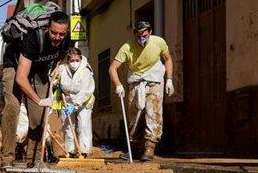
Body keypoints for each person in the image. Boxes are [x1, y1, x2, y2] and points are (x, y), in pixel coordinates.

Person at [109, 20, 175, 161]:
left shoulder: (158, 42)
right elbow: (113, 68)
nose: (142, 39)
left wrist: (169, 79)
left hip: (155, 79)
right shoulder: (127, 47)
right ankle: (132, 148)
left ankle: (149, 148)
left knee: (153, 113)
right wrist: (118, 85)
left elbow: (168, 59)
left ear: (150, 32)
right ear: (135, 35)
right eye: (139, 36)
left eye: (145, 35)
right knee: (134, 114)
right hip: (136, 80)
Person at [14, 10, 71, 166]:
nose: (57, 37)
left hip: (40, 71)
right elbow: (20, 77)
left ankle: (33, 161)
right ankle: (8, 157)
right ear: (47, 28)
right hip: (15, 67)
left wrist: (57, 67)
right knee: (12, 109)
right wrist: (39, 100)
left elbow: (62, 54)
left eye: (62, 34)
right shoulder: (34, 38)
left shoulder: (66, 40)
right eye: (54, 33)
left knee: (39, 118)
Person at [54, 47, 95, 157]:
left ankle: (84, 151)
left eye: (77, 60)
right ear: (68, 60)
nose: (74, 63)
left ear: (81, 59)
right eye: (72, 60)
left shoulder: (86, 70)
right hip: (67, 101)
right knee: (68, 126)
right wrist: (55, 83)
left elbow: (86, 91)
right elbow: (53, 78)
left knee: (83, 125)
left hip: (84, 101)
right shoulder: (62, 69)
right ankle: (70, 151)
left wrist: (76, 104)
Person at [0, 31, 24, 168]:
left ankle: (35, 158)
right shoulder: (17, 25)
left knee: (37, 112)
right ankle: (7, 156)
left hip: (38, 66)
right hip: (12, 65)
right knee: (12, 108)